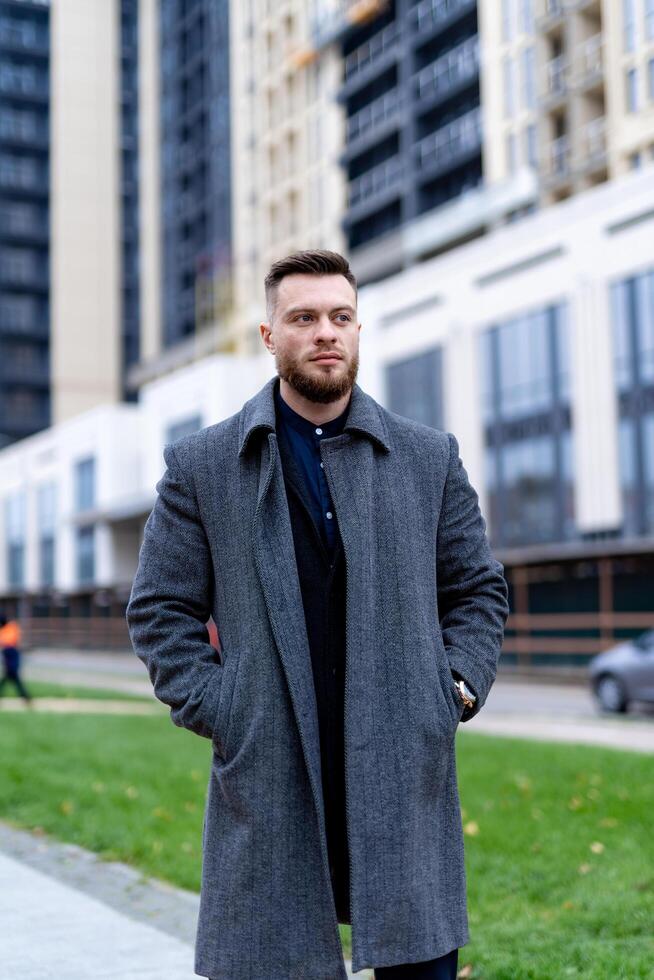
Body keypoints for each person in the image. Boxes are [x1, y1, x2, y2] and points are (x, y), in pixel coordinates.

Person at [126, 250, 509, 980]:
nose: (325, 333)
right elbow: (159, 608)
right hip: (270, 762)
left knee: (420, 961)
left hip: (401, 763)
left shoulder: (429, 459)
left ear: (358, 328)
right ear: (270, 336)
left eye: (340, 317)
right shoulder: (202, 467)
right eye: (303, 318)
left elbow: (477, 590)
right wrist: (222, 706)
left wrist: (455, 686)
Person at [0, 614, 32, 704]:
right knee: (11, 678)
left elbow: (9, 641)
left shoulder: (11, 627)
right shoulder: (4, 629)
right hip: (7, 653)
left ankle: (26, 697)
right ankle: (26, 697)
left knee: (11, 676)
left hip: (12, 652)